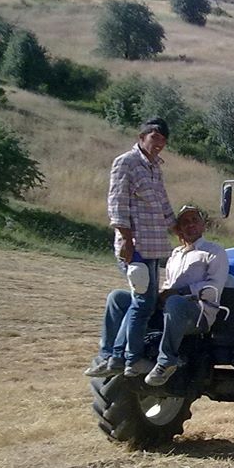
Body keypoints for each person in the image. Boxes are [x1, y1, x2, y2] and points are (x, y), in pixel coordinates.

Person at [85, 118, 176, 378]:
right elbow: (117, 201)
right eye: (154, 138)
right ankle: (127, 358)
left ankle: (115, 358)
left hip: (154, 248)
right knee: (142, 304)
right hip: (136, 247)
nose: (159, 144)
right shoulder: (126, 162)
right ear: (141, 137)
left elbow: (163, 206)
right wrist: (125, 237)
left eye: (163, 140)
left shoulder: (155, 168)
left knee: (142, 303)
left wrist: (179, 228)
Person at [144, 205, 229, 386]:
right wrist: (160, 296)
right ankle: (121, 355)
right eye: (185, 222)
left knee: (175, 302)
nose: (190, 225)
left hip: (199, 312)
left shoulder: (214, 252)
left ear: (202, 226)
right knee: (120, 299)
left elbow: (214, 286)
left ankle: (166, 361)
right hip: (171, 308)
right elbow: (169, 283)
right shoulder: (175, 254)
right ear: (179, 228)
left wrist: (179, 293)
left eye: (194, 221)